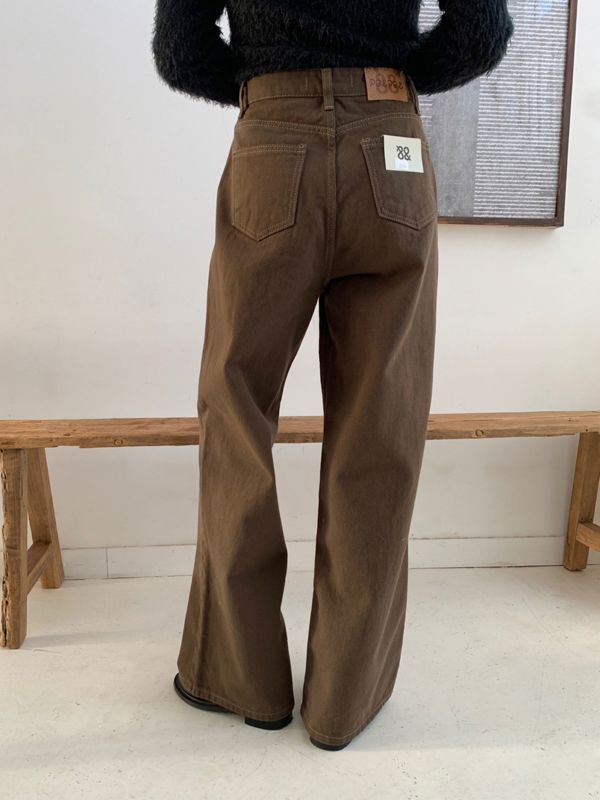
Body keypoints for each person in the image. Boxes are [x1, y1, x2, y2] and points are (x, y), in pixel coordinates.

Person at [152, 0, 514, 751]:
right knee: (382, 426)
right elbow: (480, 33)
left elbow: (181, 51)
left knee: (236, 410)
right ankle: (344, 700)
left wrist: (272, 83)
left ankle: (244, 679)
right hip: (390, 148)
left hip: (271, 145)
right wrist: (382, 80)